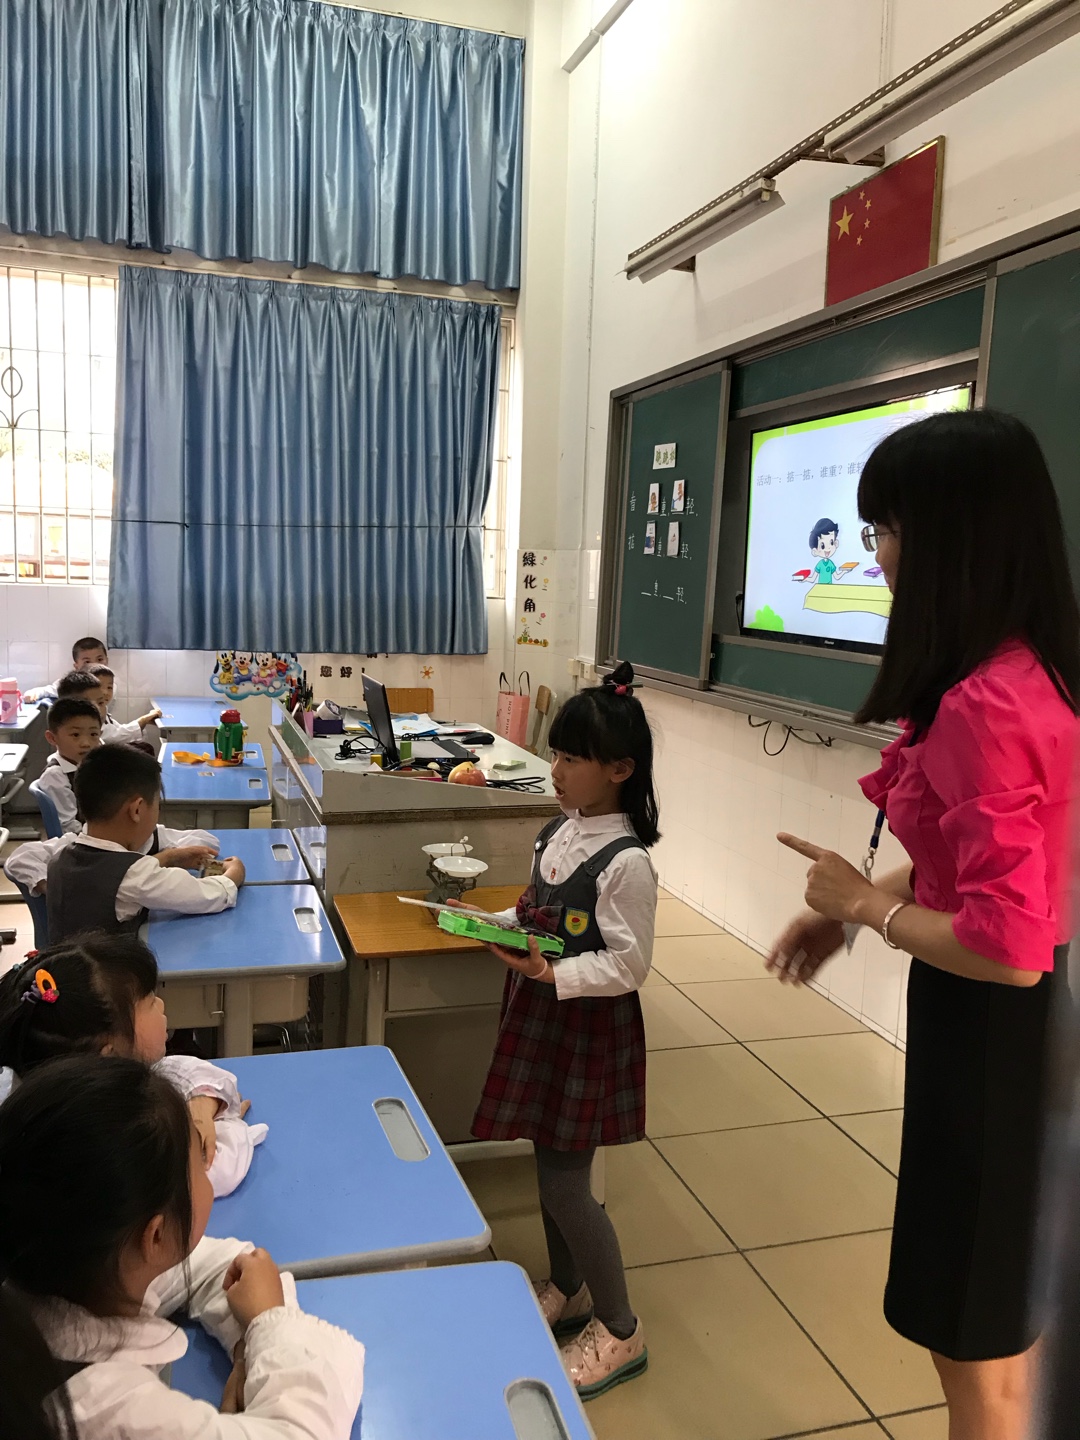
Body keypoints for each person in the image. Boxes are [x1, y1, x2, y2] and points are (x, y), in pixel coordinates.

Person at [768, 410, 1080, 1440]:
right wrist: (860, 917)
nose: (879, 556)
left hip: (994, 1042)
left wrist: (867, 906)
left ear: (952, 536)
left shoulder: (988, 704)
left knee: (976, 1351)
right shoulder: (1028, 673)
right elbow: (977, 871)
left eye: (888, 530)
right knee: (1001, 1338)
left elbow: (1008, 950)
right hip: (1013, 1040)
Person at [0, 1055, 365, 1438]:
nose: (208, 1172)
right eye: (201, 1164)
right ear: (156, 1236)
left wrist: (249, 1347)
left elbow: (221, 1268)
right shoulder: (108, 1412)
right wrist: (269, 1323)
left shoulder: (61, 1265)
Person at [470, 659, 659, 1399]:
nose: (556, 770)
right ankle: (567, 1286)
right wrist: (489, 922)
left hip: (585, 1031)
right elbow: (535, 910)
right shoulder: (557, 831)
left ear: (619, 770)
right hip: (542, 1021)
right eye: (556, 754)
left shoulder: (626, 862)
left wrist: (553, 974)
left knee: (566, 1185)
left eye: (572, 759)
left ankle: (620, 1326)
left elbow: (630, 966)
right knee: (546, 1163)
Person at [0, 937, 267, 1196]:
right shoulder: (115, 1136)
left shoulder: (55, 1090)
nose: (161, 1004)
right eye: (149, 1002)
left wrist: (201, 1107)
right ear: (109, 1054)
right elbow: (217, 1168)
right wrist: (227, 1124)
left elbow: (183, 1069)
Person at [46, 745, 245, 946]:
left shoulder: (60, 857)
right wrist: (234, 873)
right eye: (157, 806)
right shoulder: (135, 874)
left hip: (63, 962)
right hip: (113, 965)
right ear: (137, 810)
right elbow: (208, 895)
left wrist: (169, 858)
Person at [37, 698, 102, 834]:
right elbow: (68, 827)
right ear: (52, 738)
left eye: (93, 734)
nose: (86, 743)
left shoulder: (84, 765)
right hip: (80, 841)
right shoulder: (55, 776)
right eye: (75, 735)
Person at [56, 667, 161, 745]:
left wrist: (144, 722)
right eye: (101, 687)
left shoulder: (103, 714)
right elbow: (115, 737)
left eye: (109, 687)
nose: (105, 692)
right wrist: (143, 721)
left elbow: (117, 731)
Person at [23, 637, 110, 707]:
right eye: (87, 662)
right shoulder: (72, 684)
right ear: (77, 667)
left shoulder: (111, 684)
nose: (94, 665)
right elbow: (45, 691)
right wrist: (32, 694)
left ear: (107, 661)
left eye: (100, 659)